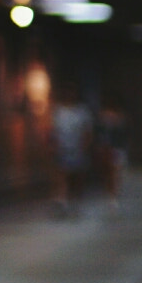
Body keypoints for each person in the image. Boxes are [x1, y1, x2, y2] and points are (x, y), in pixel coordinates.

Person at [50, 81, 94, 215]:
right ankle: (62, 201)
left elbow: (87, 131)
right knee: (62, 175)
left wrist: (85, 146)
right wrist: (53, 145)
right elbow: (52, 130)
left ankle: (75, 202)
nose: (69, 95)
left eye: (72, 92)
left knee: (77, 177)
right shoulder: (58, 111)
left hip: (78, 148)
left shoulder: (82, 111)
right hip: (62, 147)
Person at [95, 95, 129, 204]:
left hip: (117, 147)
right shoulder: (102, 116)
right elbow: (99, 132)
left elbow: (124, 133)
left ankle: (114, 193)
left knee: (115, 170)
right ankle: (109, 190)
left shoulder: (121, 117)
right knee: (107, 171)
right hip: (105, 147)